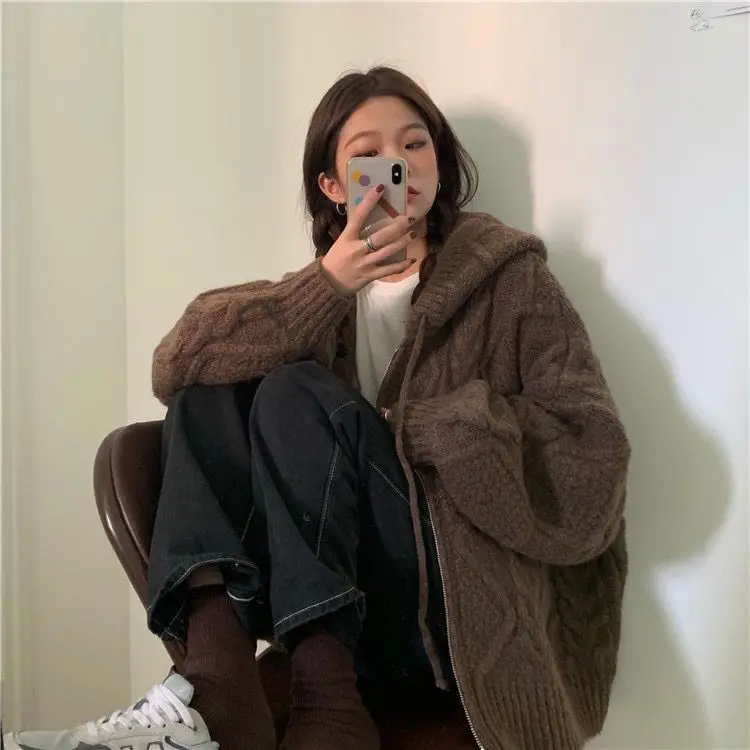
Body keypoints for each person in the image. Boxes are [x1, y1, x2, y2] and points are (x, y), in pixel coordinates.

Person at [5, 66, 631, 750]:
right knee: (216, 380)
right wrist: (327, 283)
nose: (396, 165)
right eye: (368, 154)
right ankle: (215, 688)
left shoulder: (512, 284)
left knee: (291, 390)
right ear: (333, 185)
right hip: (344, 611)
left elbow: (591, 475)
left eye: (414, 144)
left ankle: (326, 710)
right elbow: (177, 361)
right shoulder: (323, 305)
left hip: (460, 613)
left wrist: (410, 428)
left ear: (440, 164)